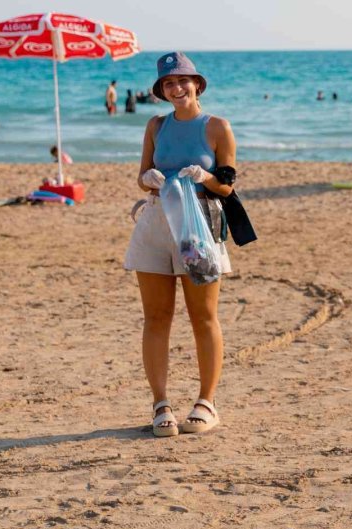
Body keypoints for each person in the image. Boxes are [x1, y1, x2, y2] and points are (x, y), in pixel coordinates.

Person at [124, 51, 237, 437]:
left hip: (199, 225)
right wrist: (150, 179)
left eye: (182, 80)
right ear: (161, 90)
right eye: (168, 83)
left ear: (197, 84)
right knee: (156, 317)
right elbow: (141, 176)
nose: (176, 88)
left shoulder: (217, 127)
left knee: (202, 316)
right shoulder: (156, 126)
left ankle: (206, 403)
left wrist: (205, 176)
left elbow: (227, 185)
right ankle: (161, 405)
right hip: (156, 221)